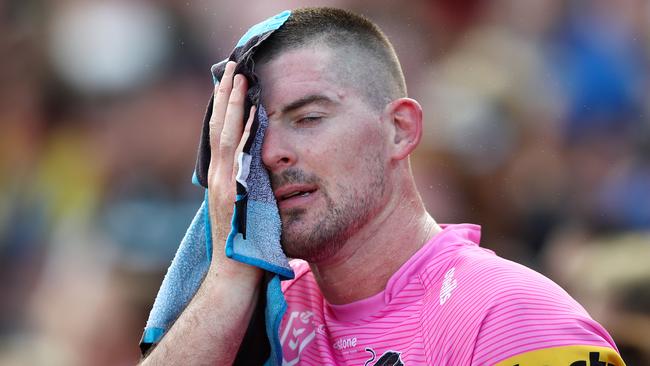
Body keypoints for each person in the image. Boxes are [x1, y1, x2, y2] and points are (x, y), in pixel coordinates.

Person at [141, 7, 625, 365]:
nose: (271, 154)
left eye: (308, 117)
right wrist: (227, 275)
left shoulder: (509, 317)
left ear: (400, 129)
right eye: (257, 133)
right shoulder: (258, 313)